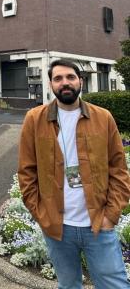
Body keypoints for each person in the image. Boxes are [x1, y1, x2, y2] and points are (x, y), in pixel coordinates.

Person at [18, 59, 130, 288]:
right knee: (68, 285)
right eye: (58, 78)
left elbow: (119, 170)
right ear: (51, 85)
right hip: (57, 228)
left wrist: (111, 214)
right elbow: (27, 171)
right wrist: (41, 214)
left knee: (114, 284)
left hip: (99, 224)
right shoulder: (34, 119)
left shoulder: (103, 117)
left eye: (70, 77)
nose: (65, 83)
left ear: (81, 81)